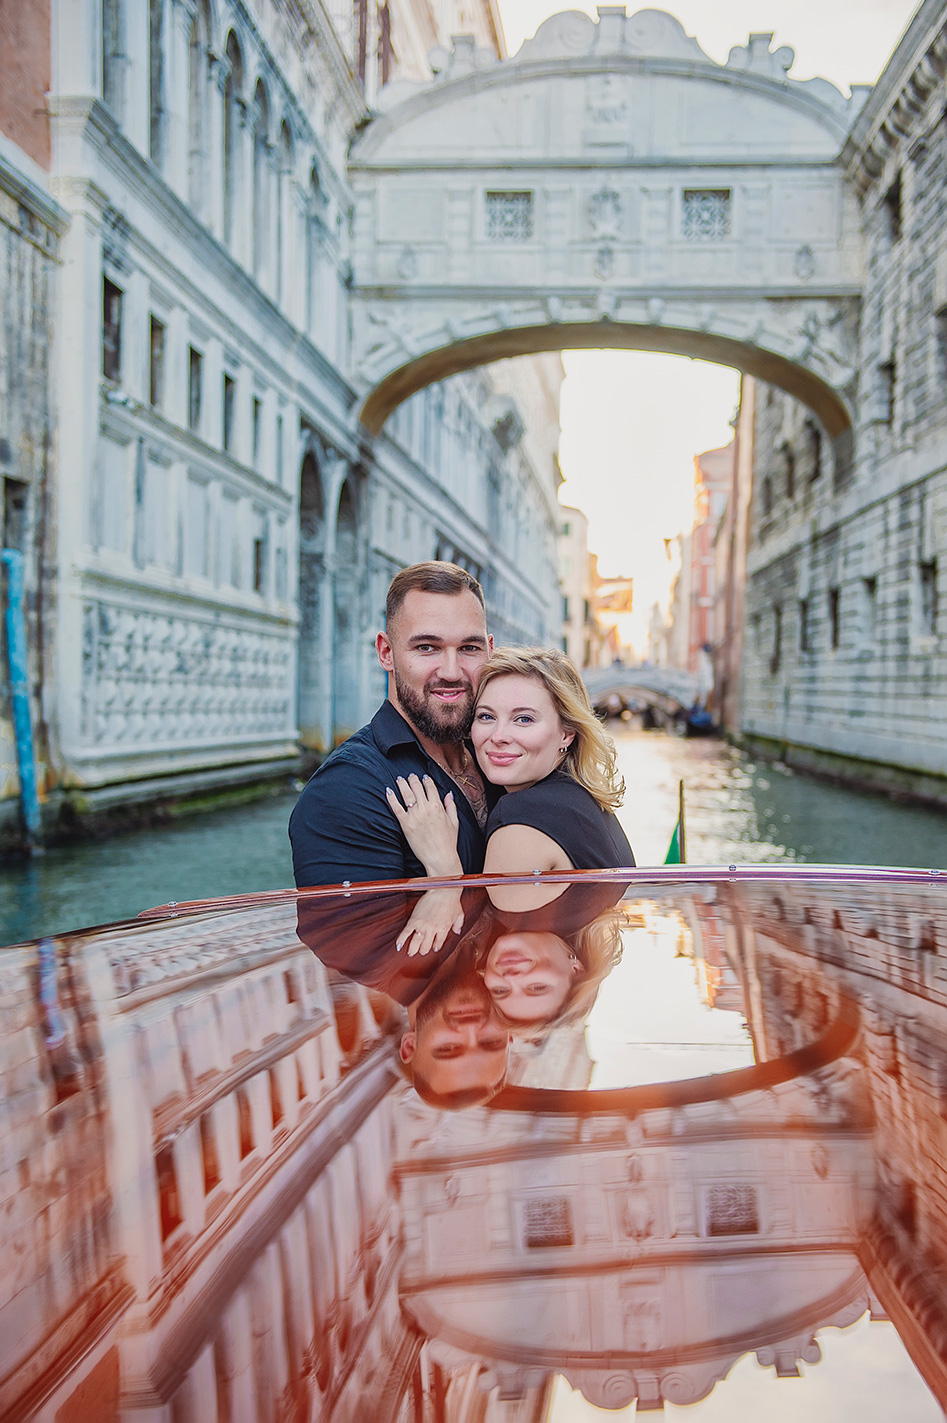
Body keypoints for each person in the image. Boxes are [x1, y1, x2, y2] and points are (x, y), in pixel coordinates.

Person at [386, 646, 635, 1024]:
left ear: (567, 732)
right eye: (486, 716)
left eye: (523, 720)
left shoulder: (520, 820)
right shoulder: (584, 799)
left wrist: (445, 871)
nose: (499, 736)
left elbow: (449, 927)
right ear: (576, 969)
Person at [289, 561, 496, 888]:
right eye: (427, 647)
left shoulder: (505, 754)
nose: (452, 671)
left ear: (490, 651)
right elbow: (357, 937)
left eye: (469, 648)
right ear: (386, 652)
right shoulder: (345, 791)